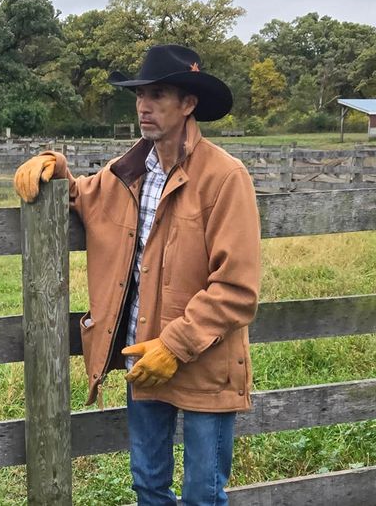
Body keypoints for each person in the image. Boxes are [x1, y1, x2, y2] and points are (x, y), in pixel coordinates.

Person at [13, 44, 261, 505]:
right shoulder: (128, 172)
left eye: (159, 94)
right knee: (149, 486)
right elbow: (82, 195)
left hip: (203, 360)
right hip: (143, 356)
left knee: (203, 494)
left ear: (189, 104)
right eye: (140, 95)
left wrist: (175, 345)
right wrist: (55, 167)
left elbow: (237, 288)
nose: (144, 106)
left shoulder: (226, 177)